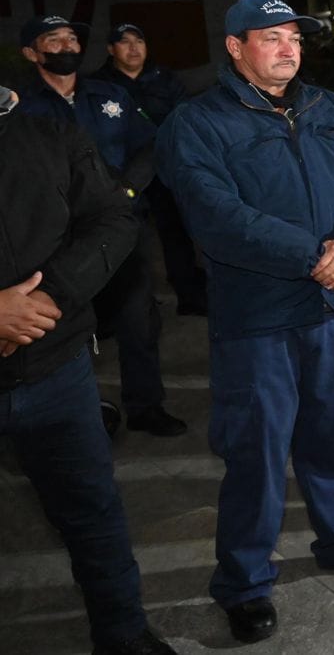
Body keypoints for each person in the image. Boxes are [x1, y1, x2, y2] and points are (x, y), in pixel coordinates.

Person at [157, 0, 334, 644]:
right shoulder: (198, 123)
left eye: (293, 37)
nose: (288, 48)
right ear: (235, 46)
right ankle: (243, 582)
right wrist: (312, 255)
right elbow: (218, 219)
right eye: (271, 37)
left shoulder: (328, 107)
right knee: (256, 454)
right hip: (258, 320)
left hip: (333, 309)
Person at [0, 85, 180, 655]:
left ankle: (123, 633)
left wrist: (50, 298)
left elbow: (112, 218)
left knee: (92, 512)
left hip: (58, 368)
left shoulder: (46, 134)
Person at [17, 16, 185, 438]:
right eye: (52, 40)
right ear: (31, 53)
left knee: (138, 320)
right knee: (57, 330)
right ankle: (72, 417)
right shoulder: (22, 110)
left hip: (117, 230)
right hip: (53, 239)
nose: (66, 45)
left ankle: (145, 407)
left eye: (72, 38)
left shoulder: (111, 96)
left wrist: (128, 191)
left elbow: (150, 145)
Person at [93, 22, 207, 315]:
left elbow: (185, 117)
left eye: (139, 41)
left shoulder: (164, 78)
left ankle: (189, 297)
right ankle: (121, 309)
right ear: (110, 49)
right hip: (124, 175)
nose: (133, 48)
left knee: (177, 235)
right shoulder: (98, 86)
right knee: (124, 240)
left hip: (166, 171)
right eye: (124, 42)